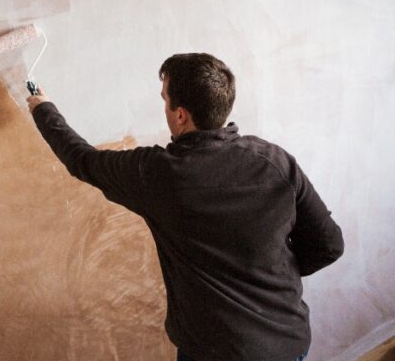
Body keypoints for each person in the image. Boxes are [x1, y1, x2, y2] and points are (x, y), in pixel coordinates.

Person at [26, 53, 344, 361]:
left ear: (181, 115)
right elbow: (329, 245)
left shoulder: (158, 173)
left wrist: (43, 108)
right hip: (288, 344)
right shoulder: (275, 161)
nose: (164, 107)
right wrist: (268, 276)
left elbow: (83, 160)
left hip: (213, 352)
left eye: (165, 99)